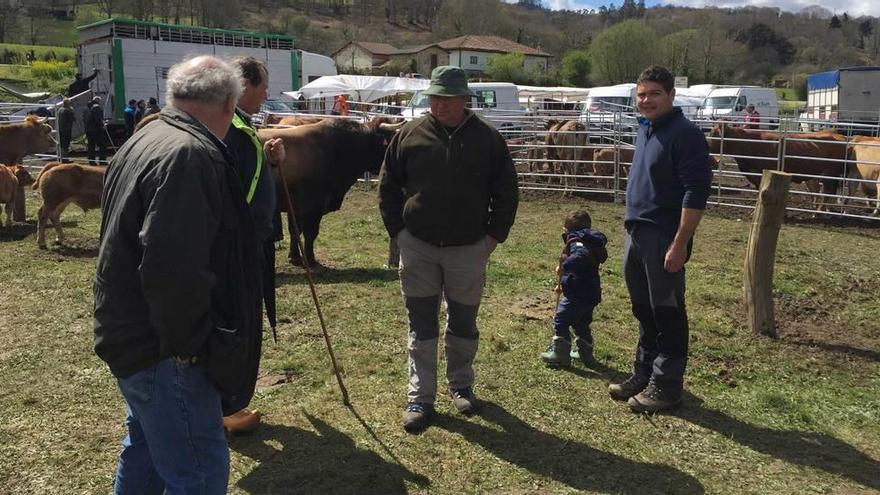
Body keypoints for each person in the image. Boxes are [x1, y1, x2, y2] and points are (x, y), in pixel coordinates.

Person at [94, 55, 261, 493]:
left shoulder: (147, 135)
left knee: (147, 450)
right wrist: (188, 349)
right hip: (163, 350)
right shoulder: (189, 154)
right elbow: (172, 268)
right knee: (198, 473)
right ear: (229, 104)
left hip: (131, 333)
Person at [379, 65, 519, 433]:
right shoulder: (410, 134)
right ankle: (420, 397)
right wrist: (399, 233)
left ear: (463, 99)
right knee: (421, 322)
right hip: (419, 248)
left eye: (447, 98)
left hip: (468, 249)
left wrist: (491, 240)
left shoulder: (488, 139)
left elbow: (506, 193)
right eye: (435, 97)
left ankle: (461, 384)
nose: (439, 104)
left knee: (463, 322)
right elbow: (388, 187)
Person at [608, 65, 712, 413]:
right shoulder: (647, 129)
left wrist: (680, 242)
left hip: (663, 237)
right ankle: (645, 372)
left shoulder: (686, 135)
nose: (646, 100)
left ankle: (667, 387)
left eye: (654, 93)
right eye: (641, 94)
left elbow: (696, 193)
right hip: (636, 232)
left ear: (671, 95)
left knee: (667, 310)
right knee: (643, 308)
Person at [221, 55, 286, 434]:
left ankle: (225, 406)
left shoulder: (239, 126)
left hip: (248, 244)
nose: (266, 94)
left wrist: (267, 159)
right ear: (244, 87)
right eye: (263, 85)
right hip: (240, 249)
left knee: (241, 321)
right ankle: (225, 409)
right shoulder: (231, 127)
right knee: (236, 322)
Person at [540, 210, 608, 368]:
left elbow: (580, 257)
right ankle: (585, 354)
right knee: (581, 323)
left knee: (561, 320)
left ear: (566, 229)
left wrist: (564, 267)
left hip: (577, 293)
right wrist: (562, 284)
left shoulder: (576, 241)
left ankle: (560, 355)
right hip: (590, 292)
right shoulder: (590, 241)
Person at [85, 96, 108, 165]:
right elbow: (97, 120)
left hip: (88, 129)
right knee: (102, 144)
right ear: (98, 101)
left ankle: (91, 161)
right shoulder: (96, 107)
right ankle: (102, 160)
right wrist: (103, 125)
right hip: (96, 130)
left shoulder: (86, 108)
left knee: (91, 146)